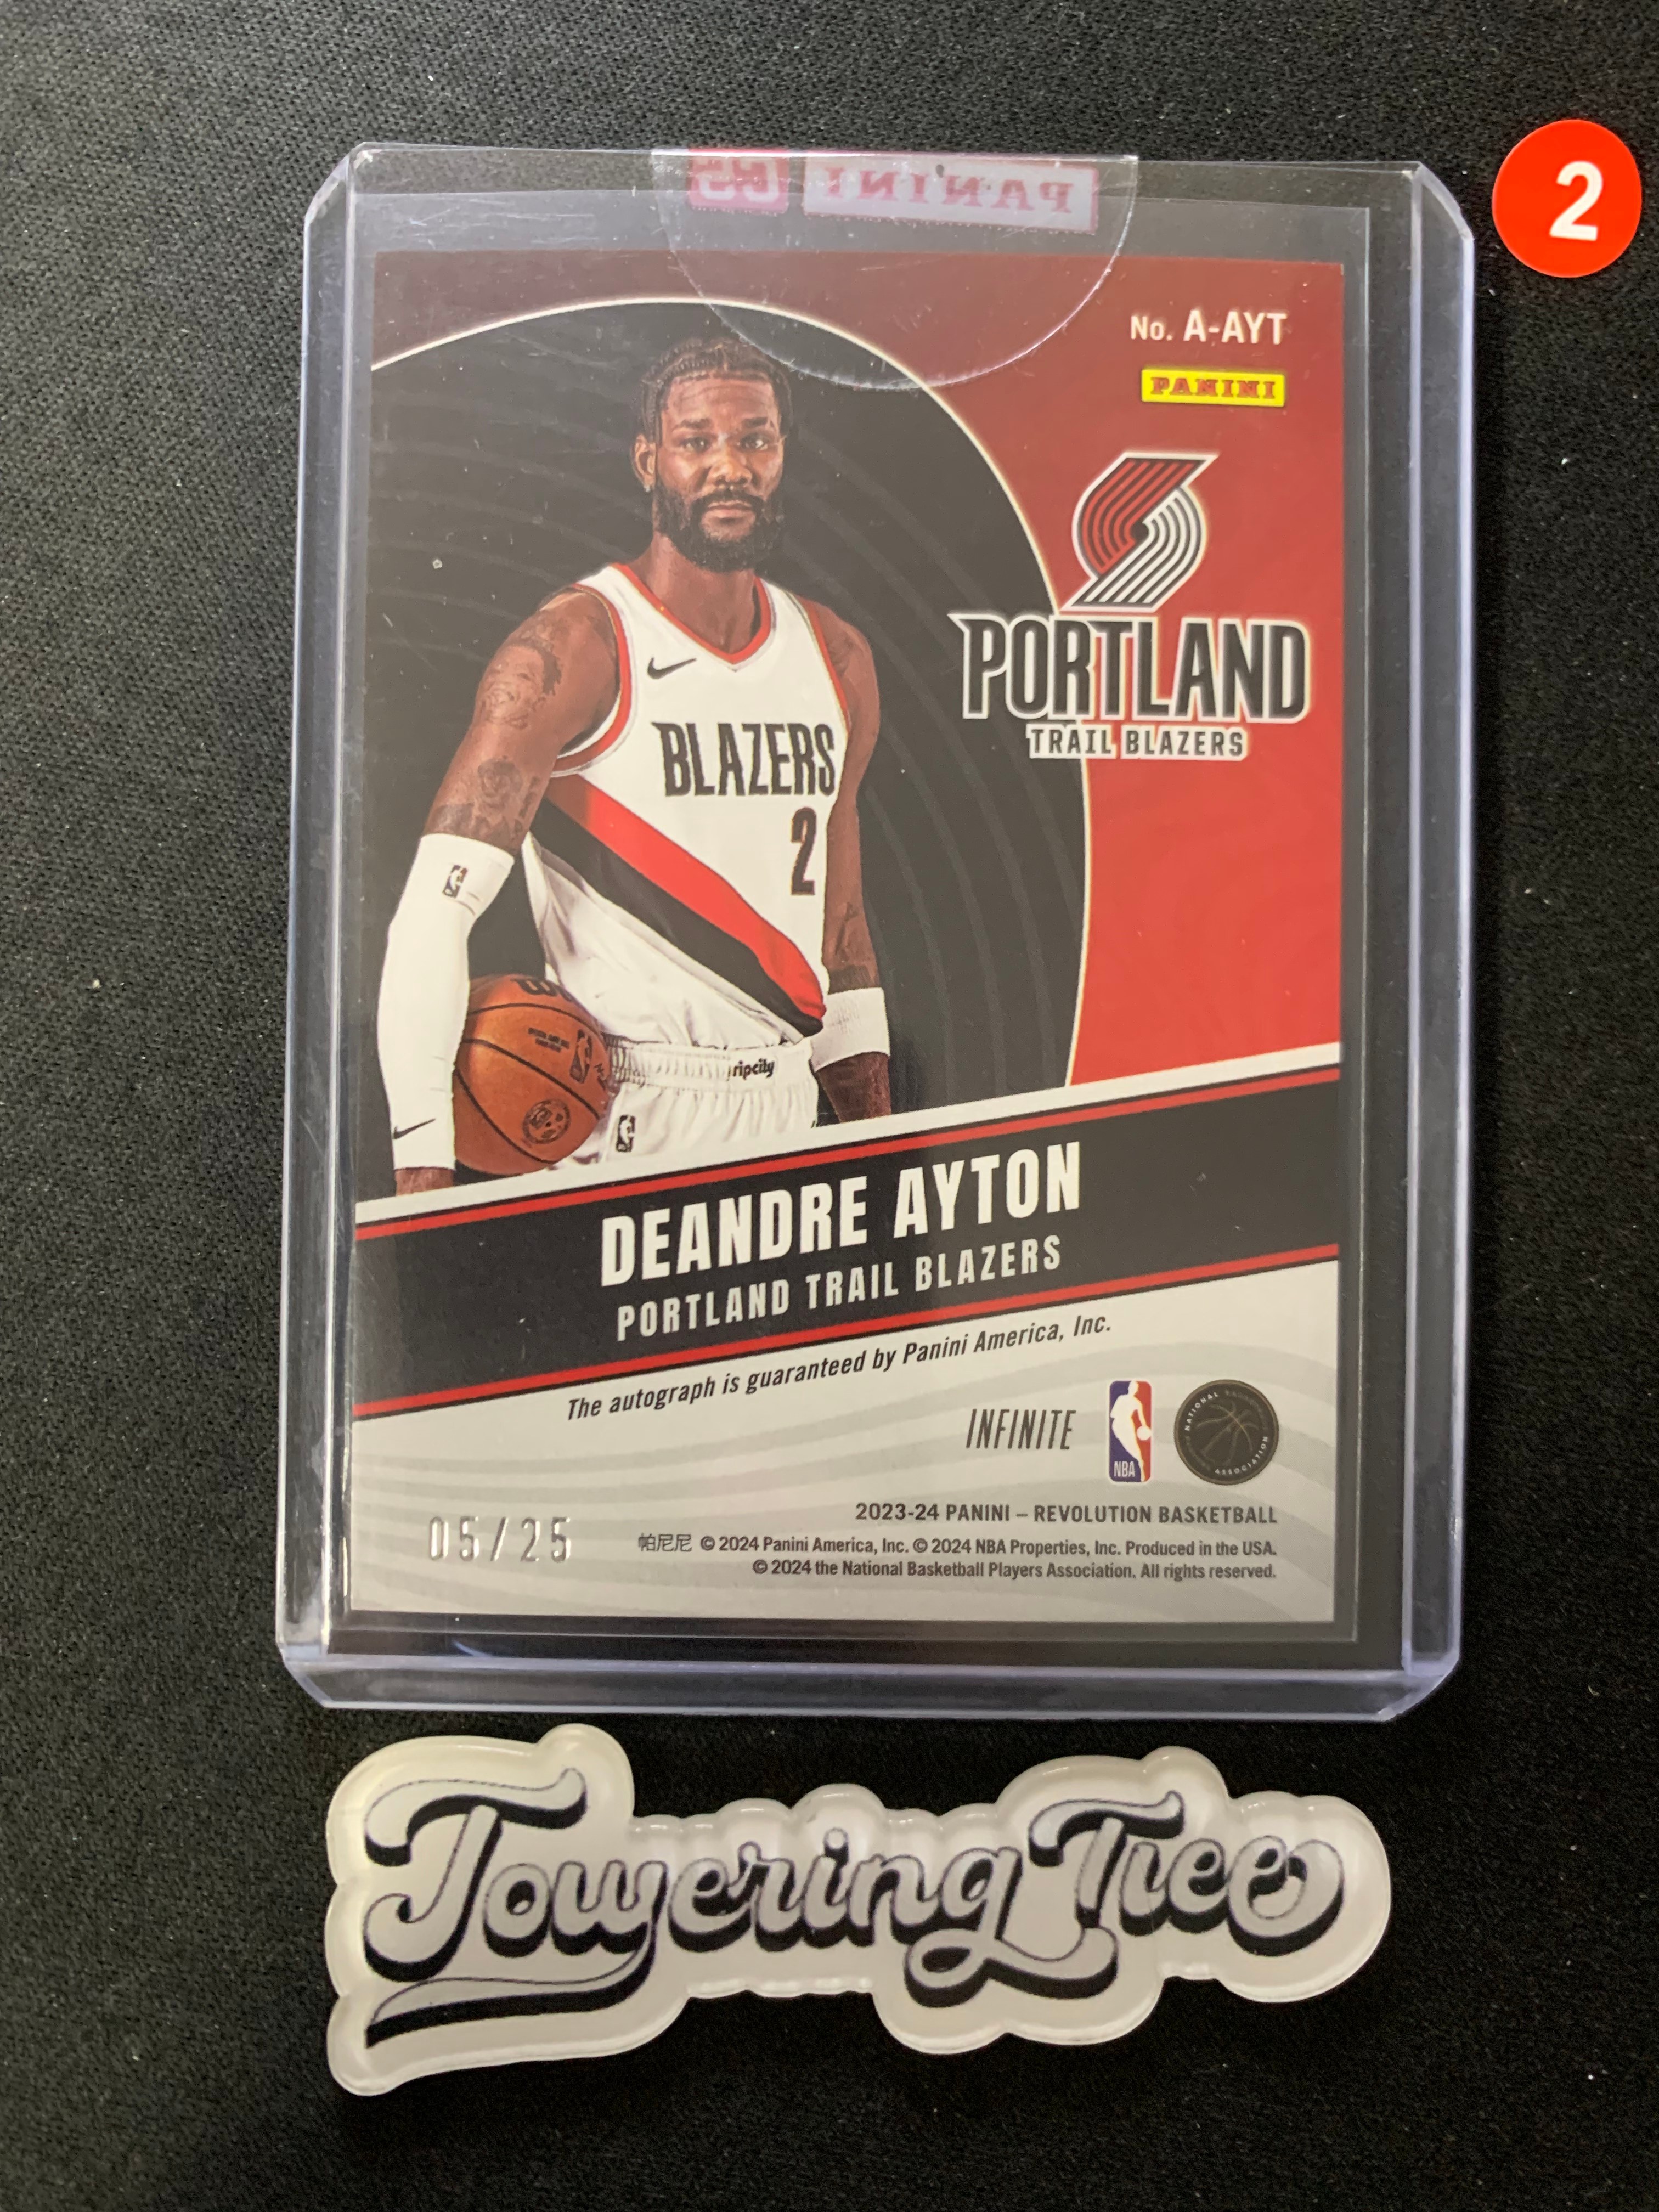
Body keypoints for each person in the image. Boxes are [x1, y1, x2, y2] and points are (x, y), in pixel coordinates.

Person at [376, 334, 891, 1197]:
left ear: (782, 455)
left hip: (787, 1104)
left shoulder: (836, 657)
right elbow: (433, 916)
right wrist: (423, 1180)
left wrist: (881, 1157)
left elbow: (842, 938)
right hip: (623, 1108)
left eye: (755, 439)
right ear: (649, 461)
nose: (729, 466)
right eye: (696, 441)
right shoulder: (577, 646)